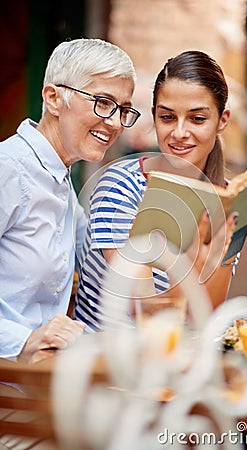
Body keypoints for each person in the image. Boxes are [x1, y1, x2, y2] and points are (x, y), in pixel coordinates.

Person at [75, 50, 247, 332]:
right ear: (154, 117)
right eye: (168, 117)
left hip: (171, 363)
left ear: (222, 120)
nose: (179, 132)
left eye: (197, 119)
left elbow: (202, 320)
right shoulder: (121, 187)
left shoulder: (220, 199)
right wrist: (191, 267)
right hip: (104, 364)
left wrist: (231, 244)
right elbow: (149, 315)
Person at [0, 38, 141, 361]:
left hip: (42, 381)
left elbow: (106, 268)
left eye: (123, 109)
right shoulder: (8, 169)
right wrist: (24, 339)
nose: (116, 122)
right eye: (103, 102)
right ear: (53, 98)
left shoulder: (61, 179)